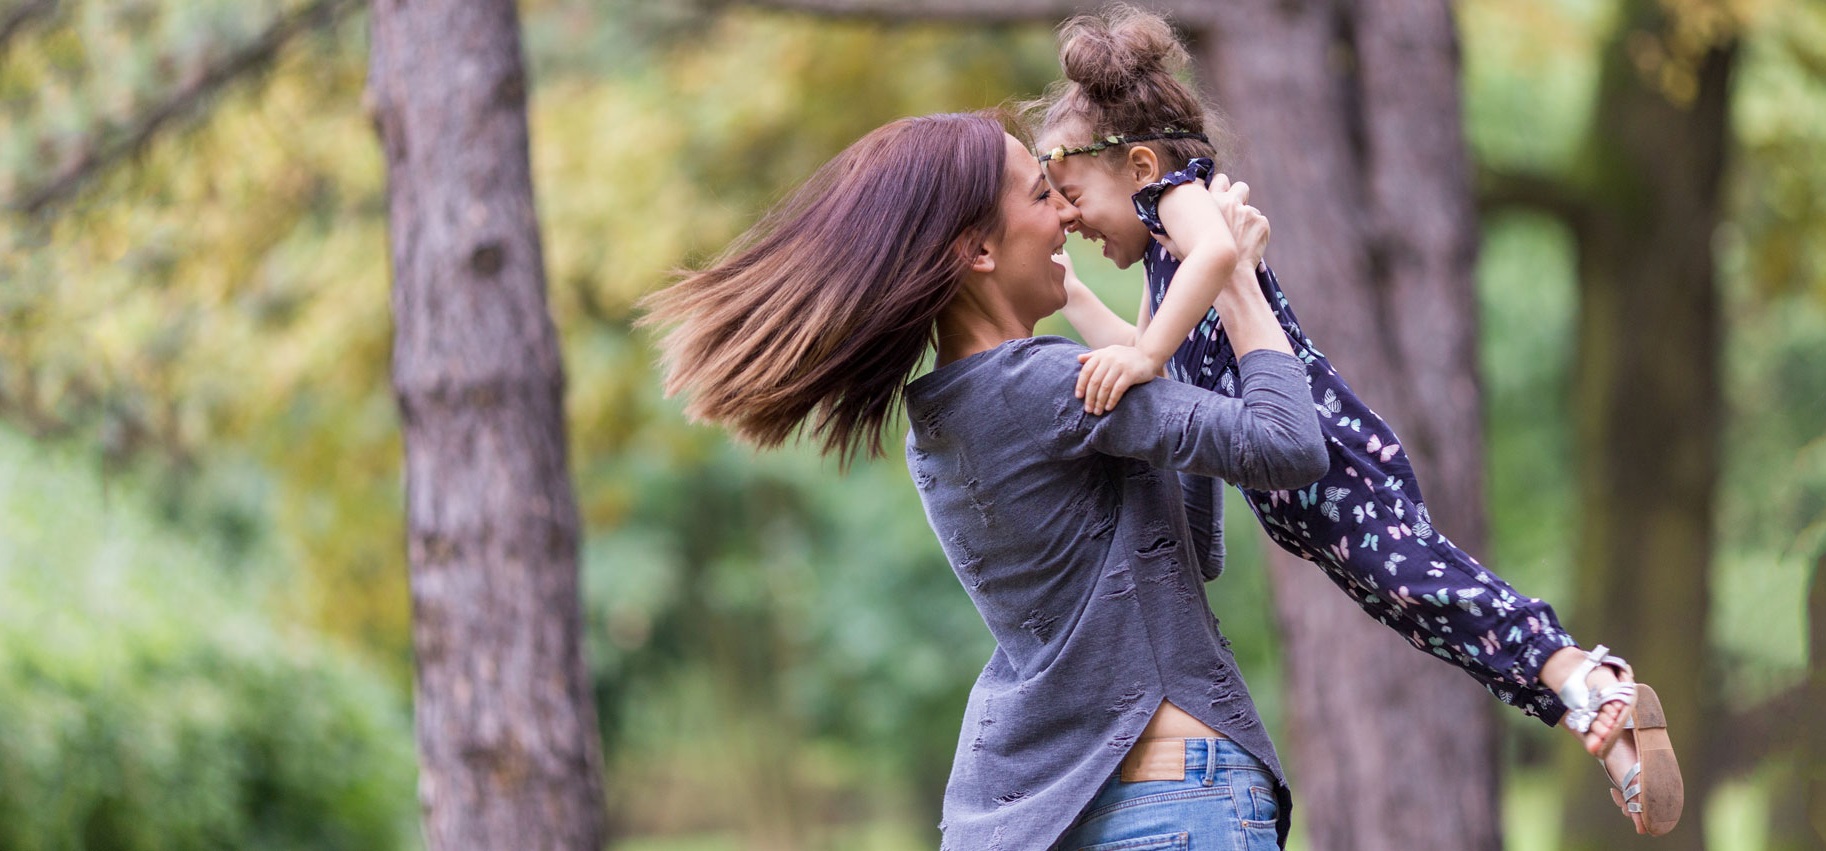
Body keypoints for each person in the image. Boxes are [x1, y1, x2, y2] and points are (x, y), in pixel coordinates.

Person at [1032, 4, 1681, 835]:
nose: (1069, 216)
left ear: (1140, 164)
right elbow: (1158, 360)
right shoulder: (1164, 276)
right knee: (1428, 614)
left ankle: (1590, 674)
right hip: (1308, 502)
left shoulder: (1176, 199)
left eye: (1073, 193)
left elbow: (1218, 259)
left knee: (1428, 584)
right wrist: (1079, 301)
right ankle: (1598, 724)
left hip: (1333, 456)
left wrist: (1148, 356)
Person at [639, 111, 1325, 850]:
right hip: (1173, 798)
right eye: (1039, 196)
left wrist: (1162, 306)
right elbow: (1289, 445)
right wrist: (1239, 287)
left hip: (1049, 805)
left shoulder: (943, 418)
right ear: (976, 252)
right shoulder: (1047, 385)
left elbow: (1184, 545)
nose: (1064, 212)